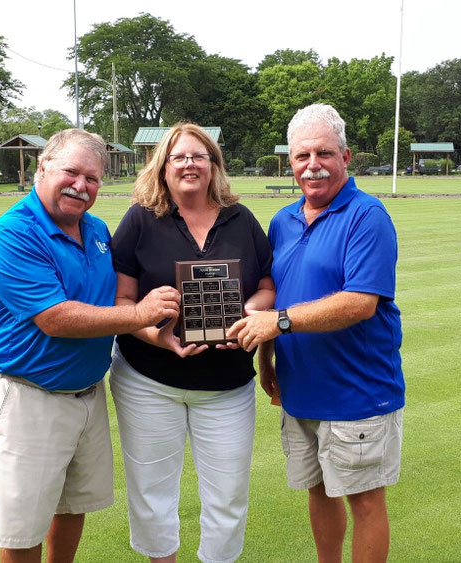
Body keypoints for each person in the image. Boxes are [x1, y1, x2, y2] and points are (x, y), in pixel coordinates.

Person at [0, 128, 181, 563]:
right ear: (42, 167)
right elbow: (56, 318)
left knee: (72, 507)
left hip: (87, 394)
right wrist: (141, 315)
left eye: (92, 178)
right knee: (22, 527)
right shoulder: (14, 233)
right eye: (71, 172)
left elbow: (107, 301)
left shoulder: (96, 229)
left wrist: (154, 335)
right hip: (27, 397)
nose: (81, 185)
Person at [227, 104, 405, 562]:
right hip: (299, 385)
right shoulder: (282, 221)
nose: (313, 164)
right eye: (302, 155)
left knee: (365, 499)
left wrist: (279, 323)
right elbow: (275, 293)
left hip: (358, 390)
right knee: (318, 489)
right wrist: (266, 358)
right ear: (290, 161)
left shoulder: (368, 216)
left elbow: (360, 302)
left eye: (324, 153)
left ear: (346, 157)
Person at [109, 122, 275, 563]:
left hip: (227, 385)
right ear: (162, 166)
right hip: (148, 379)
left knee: (227, 496)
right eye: (179, 156)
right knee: (151, 492)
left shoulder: (240, 219)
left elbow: (266, 286)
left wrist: (249, 315)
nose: (189, 164)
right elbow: (122, 301)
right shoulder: (139, 219)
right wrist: (156, 336)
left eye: (199, 156)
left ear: (214, 166)